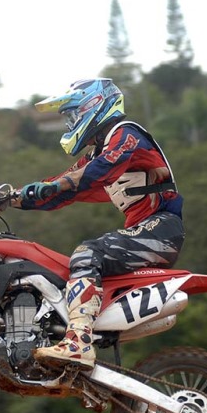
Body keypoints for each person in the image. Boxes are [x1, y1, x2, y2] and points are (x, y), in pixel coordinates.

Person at [14, 78, 184, 370]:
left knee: (87, 253)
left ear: (93, 106)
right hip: (144, 231)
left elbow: (97, 171)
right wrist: (10, 198)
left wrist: (56, 186)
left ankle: (79, 343)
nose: (70, 124)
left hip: (162, 229)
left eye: (73, 116)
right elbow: (62, 189)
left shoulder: (127, 134)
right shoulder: (98, 152)